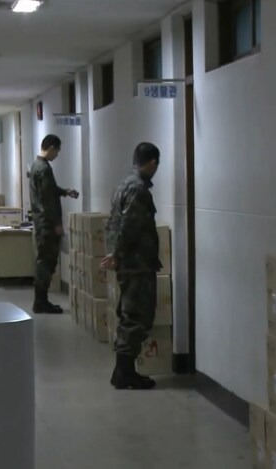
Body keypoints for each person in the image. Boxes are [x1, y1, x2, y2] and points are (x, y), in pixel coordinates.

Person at [101, 142, 162, 390]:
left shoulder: (123, 184)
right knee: (137, 317)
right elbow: (129, 226)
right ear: (152, 163)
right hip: (137, 264)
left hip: (129, 262)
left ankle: (122, 371)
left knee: (129, 314)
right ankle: (124, 373)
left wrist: (114, 252)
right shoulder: (138, 189)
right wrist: (117, 253)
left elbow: (112, 223)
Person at [29, 135, 79, 314]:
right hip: (47, 224)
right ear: (51, 148)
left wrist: (65, 191)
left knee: (44, 261)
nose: (57, 155)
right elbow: (48, 200)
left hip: (41, 221)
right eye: (57, 151)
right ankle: (40, 302)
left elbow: (48, 190)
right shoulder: (44, 168)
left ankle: (41, 301)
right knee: (46, 263)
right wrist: (57, 223)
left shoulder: (37, 165)